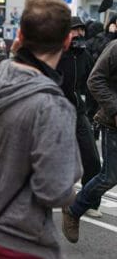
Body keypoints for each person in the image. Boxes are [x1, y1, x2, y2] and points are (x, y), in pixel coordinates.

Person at [0, 0, 81, 258]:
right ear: (67, 41)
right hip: (27, 241)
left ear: (19, 34)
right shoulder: (54, 106)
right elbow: (53, 190)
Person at [62, 37, 117, 243]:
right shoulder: (115, 48)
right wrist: (114, 110)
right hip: (113, 123)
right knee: (109, 176)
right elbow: (95, 80)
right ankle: (74, 210)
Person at [56, 16, 101, 217]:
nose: (80, 34)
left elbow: (93, 83)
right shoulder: (55, 53)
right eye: (75, 30)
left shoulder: (84, 56)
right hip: (55, 112)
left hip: (78, 111)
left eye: (82, 30)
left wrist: (95, 111)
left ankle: (90, 203)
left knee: (91, 157)